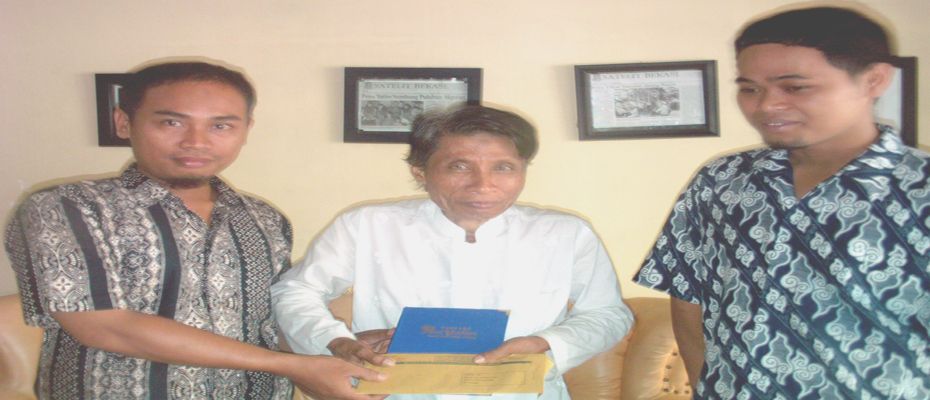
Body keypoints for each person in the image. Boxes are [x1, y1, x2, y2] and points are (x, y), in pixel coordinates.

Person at [4, 61, 384, 400]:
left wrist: (332, 345)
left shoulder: (264, 218)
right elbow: (104, 326)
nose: (196, 142)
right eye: (171, 122)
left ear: (246, 130)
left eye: (221, 126)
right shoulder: (66, 208)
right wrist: (294, 366)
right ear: (124, 122)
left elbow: (266, 325)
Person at [634, 6, 930, 399]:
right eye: (750, 88)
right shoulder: (722, 181)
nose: (766, 105)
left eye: (795, 87)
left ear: (874, 80)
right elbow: (688, 297)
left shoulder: (919, 191)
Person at [272, 104, 633, 399]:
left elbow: (608, 314)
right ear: (420, 172)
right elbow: (295, 291)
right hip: (394, 393)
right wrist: (335, 340)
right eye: (459, 166)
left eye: (504, 167)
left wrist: (543, 343)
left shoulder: (566, 233)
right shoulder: (367, 225)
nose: (483, 184)